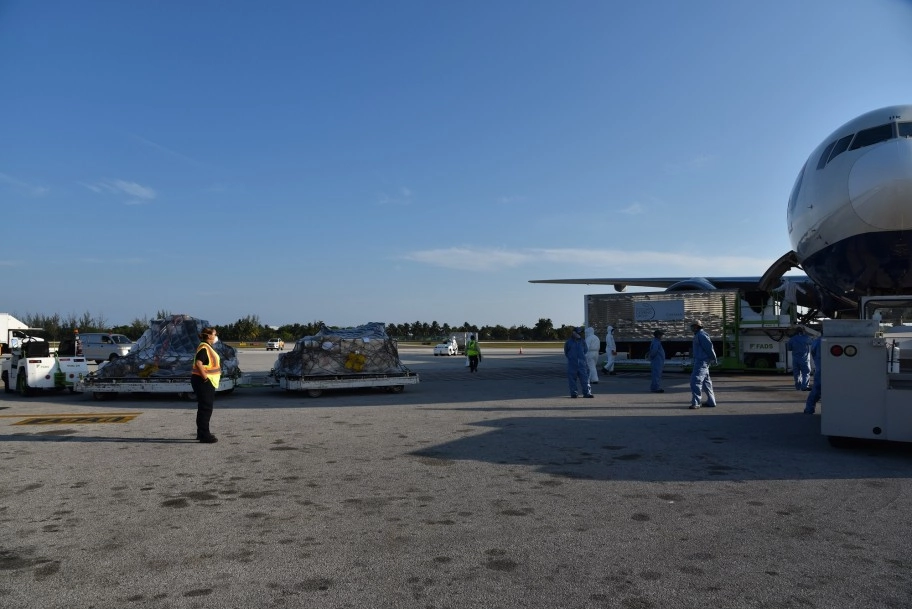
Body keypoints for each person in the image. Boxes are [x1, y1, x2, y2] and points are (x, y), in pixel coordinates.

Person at [191, 327, 221, 443]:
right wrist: (205, 378)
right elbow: (199, 363)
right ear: (208, 336)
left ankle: (201, 433)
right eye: (214, 334)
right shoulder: (204, 348)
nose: (215, 336)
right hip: (203, 382)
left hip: (203, 381)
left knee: (203, 408)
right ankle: (204, 435)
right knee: (206, 408)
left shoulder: (207, 347)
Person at [688, 320, 717, 409]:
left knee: (695, 381)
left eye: (693, 327)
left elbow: (709, 347)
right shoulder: (698, 335)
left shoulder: (701, 335)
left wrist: (713, 358)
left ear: (697, 327)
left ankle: (696, 403)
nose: (692, 328)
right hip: (701, 361)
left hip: (701, 362)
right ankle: (711, 402)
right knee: (706, 383)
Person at [564, 327, 593, 398]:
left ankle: (587, 393)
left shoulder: (583, 342)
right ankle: (574, 393)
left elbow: (585, 350)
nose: (579, 334)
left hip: (582, 364)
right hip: (572, 364)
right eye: (578, 332)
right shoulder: (568, 342)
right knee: (572, 380)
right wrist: (572, 358)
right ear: (574, 333)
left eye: (580, 333)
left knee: (585, 379)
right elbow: (566, 352)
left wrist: (581, 359)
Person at [786, 326, 813, 391]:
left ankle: (798, 386)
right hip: (804, 359)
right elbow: (812, 343)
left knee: (796, 373)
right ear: (803, 331)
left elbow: (789, 348)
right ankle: (804, 386)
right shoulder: (806, 338)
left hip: (795, 359)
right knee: (806, 373)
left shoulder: (792, 339)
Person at [804, 333, 823, 414]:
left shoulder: (817, 341)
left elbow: (813, 353)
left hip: (820, 368)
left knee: (817, 389)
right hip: (833, 369)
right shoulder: (835, 340)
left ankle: (809, 408)